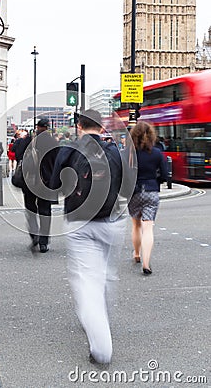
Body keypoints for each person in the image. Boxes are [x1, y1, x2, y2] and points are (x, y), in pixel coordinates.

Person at [50, 109, 125, 365]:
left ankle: (101, 349)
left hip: (80, 223)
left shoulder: (70, 149)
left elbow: (52, 185)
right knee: (103, 276)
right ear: (101, 127)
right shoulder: (115, 149)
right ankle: (98, 317)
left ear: (79, 126)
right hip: (111, 221)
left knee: (88, 286)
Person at [127, 121, 168, 275]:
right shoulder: (157, 153)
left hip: (134, 192)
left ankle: (136, 254)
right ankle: (146, 263)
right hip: (151, 191)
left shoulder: (129, 153)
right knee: (148, 227)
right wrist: (155, 182)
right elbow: (164, 175)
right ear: (151, 135)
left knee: (136, 225)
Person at [21, 118, 59, 253]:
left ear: (37, 127)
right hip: (45, 182)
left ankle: (34, 235)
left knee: (30, 210)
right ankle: (43, 242)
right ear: (48, 127)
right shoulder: (53, 142)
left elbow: (19, 153)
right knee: (45, 212)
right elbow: (57, 162)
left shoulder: (29, 141)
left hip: (29, 181)